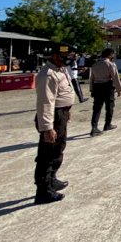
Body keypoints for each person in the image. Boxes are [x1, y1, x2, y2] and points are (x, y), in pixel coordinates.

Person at [33, 46, 75, 204]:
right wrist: (47, 128)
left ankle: (52, 180)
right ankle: (43, 190)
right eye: (65, 56)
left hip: (60, 114)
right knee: (47, 154)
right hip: (53, 117)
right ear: (55, 55)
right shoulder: (48, 74)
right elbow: (45, 102)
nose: (68, 59)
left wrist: (67, 110)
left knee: (58, 148)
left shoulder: (60, 69)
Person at [89, 48, 121, 137]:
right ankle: (107, 124)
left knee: (96, 108)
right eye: (113, 54)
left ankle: (94, 127)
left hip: (97, 87)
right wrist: (119, 90)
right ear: (110, 55)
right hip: (108, 86)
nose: (113, 56)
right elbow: (115, 78)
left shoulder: (94, 65)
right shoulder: (111, 64)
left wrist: (91, 89)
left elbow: (91, 78)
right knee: (109, 106)